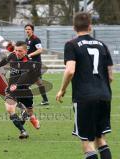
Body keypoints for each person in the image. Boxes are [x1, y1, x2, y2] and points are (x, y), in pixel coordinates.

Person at [56, 12, 113, 159]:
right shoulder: (102, 45)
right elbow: (110, 76)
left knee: (87, 141)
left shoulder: (71, 44)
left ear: (74, 27)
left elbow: (70, 70)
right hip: (104, 95)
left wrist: (62, 89)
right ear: (90, 27)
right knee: (100, 138)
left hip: (85, 97)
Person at [0, 41, 40, 139]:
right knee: (10, 109)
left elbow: (25, 76)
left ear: (25, 51)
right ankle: (23, 131)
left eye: (20, 51)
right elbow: (5, 60)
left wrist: (17, 85)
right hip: (11, 90)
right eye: (16, 50)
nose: (17, 53)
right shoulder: (13, 55)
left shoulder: (29, 63)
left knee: (29, 111)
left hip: (24, 91)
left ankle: (30, 117)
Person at [24, 24, 49, 106]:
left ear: (32, 30)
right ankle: (45, 100)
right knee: (39, 82)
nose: (27, 30)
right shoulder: (26, 40)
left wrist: (30, 55)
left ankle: (28, 101)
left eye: (29, 29)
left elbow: (40, 50)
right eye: (26, 29)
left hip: (35, 64)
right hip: (30, 64)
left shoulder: (36, 39)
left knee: (26, 83)